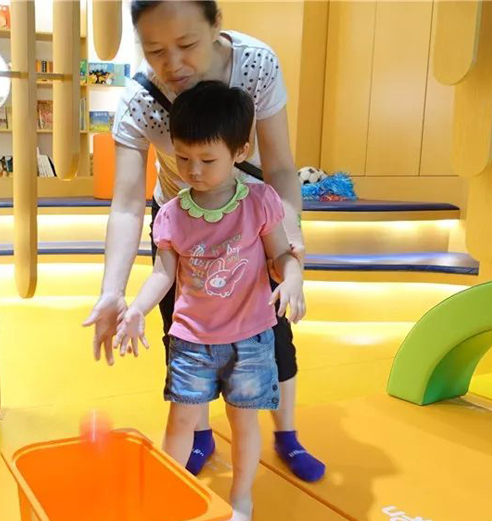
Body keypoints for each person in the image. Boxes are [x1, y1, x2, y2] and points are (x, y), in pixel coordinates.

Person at [83, 0, 325, 482]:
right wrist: (113, 291)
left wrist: (289, 240)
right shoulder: (139, 100)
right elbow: (127, 205)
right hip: (182, 220)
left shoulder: (255, 65)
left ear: (216, 25)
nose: (172, 63)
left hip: (250, 213)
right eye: (155, 50)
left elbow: (280, 166)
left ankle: (287, 434)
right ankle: (198, 434)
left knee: (271, 330)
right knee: (183, 333)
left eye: (186, 44)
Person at [114, 81, 303, 521]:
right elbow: (163, 274)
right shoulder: (172, 214)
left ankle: (241, 497)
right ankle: (168, 494)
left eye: (207, 160)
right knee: (180, 422)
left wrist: (293, 279)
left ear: (240, 152)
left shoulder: (259, 201)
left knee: (243, 425)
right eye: (183, 158)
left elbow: (281, 255)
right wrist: (137, 309)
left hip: (251, 340)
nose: (193, 171)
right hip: (191, 342)